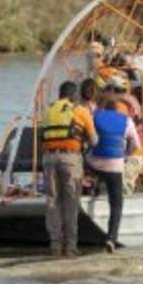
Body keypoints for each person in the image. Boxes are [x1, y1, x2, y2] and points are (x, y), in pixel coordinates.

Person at [40, 80, 97, 258]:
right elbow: (94, 140)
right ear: (74, 96)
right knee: (71, 201)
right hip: (70, 158)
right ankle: (71, 247)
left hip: (49, 158)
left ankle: (55, 245)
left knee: (53, 201)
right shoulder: (79, 110)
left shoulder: (47, 111)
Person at [86, 79, 140, 252]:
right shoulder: (126, 121)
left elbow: (88, 138)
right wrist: (125, 155)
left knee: (89, 161)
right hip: (115, 165)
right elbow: (135, 145)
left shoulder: (95, 115)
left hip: (94, 163)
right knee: (116, 203)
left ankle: (92, 187)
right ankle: (111, 238)